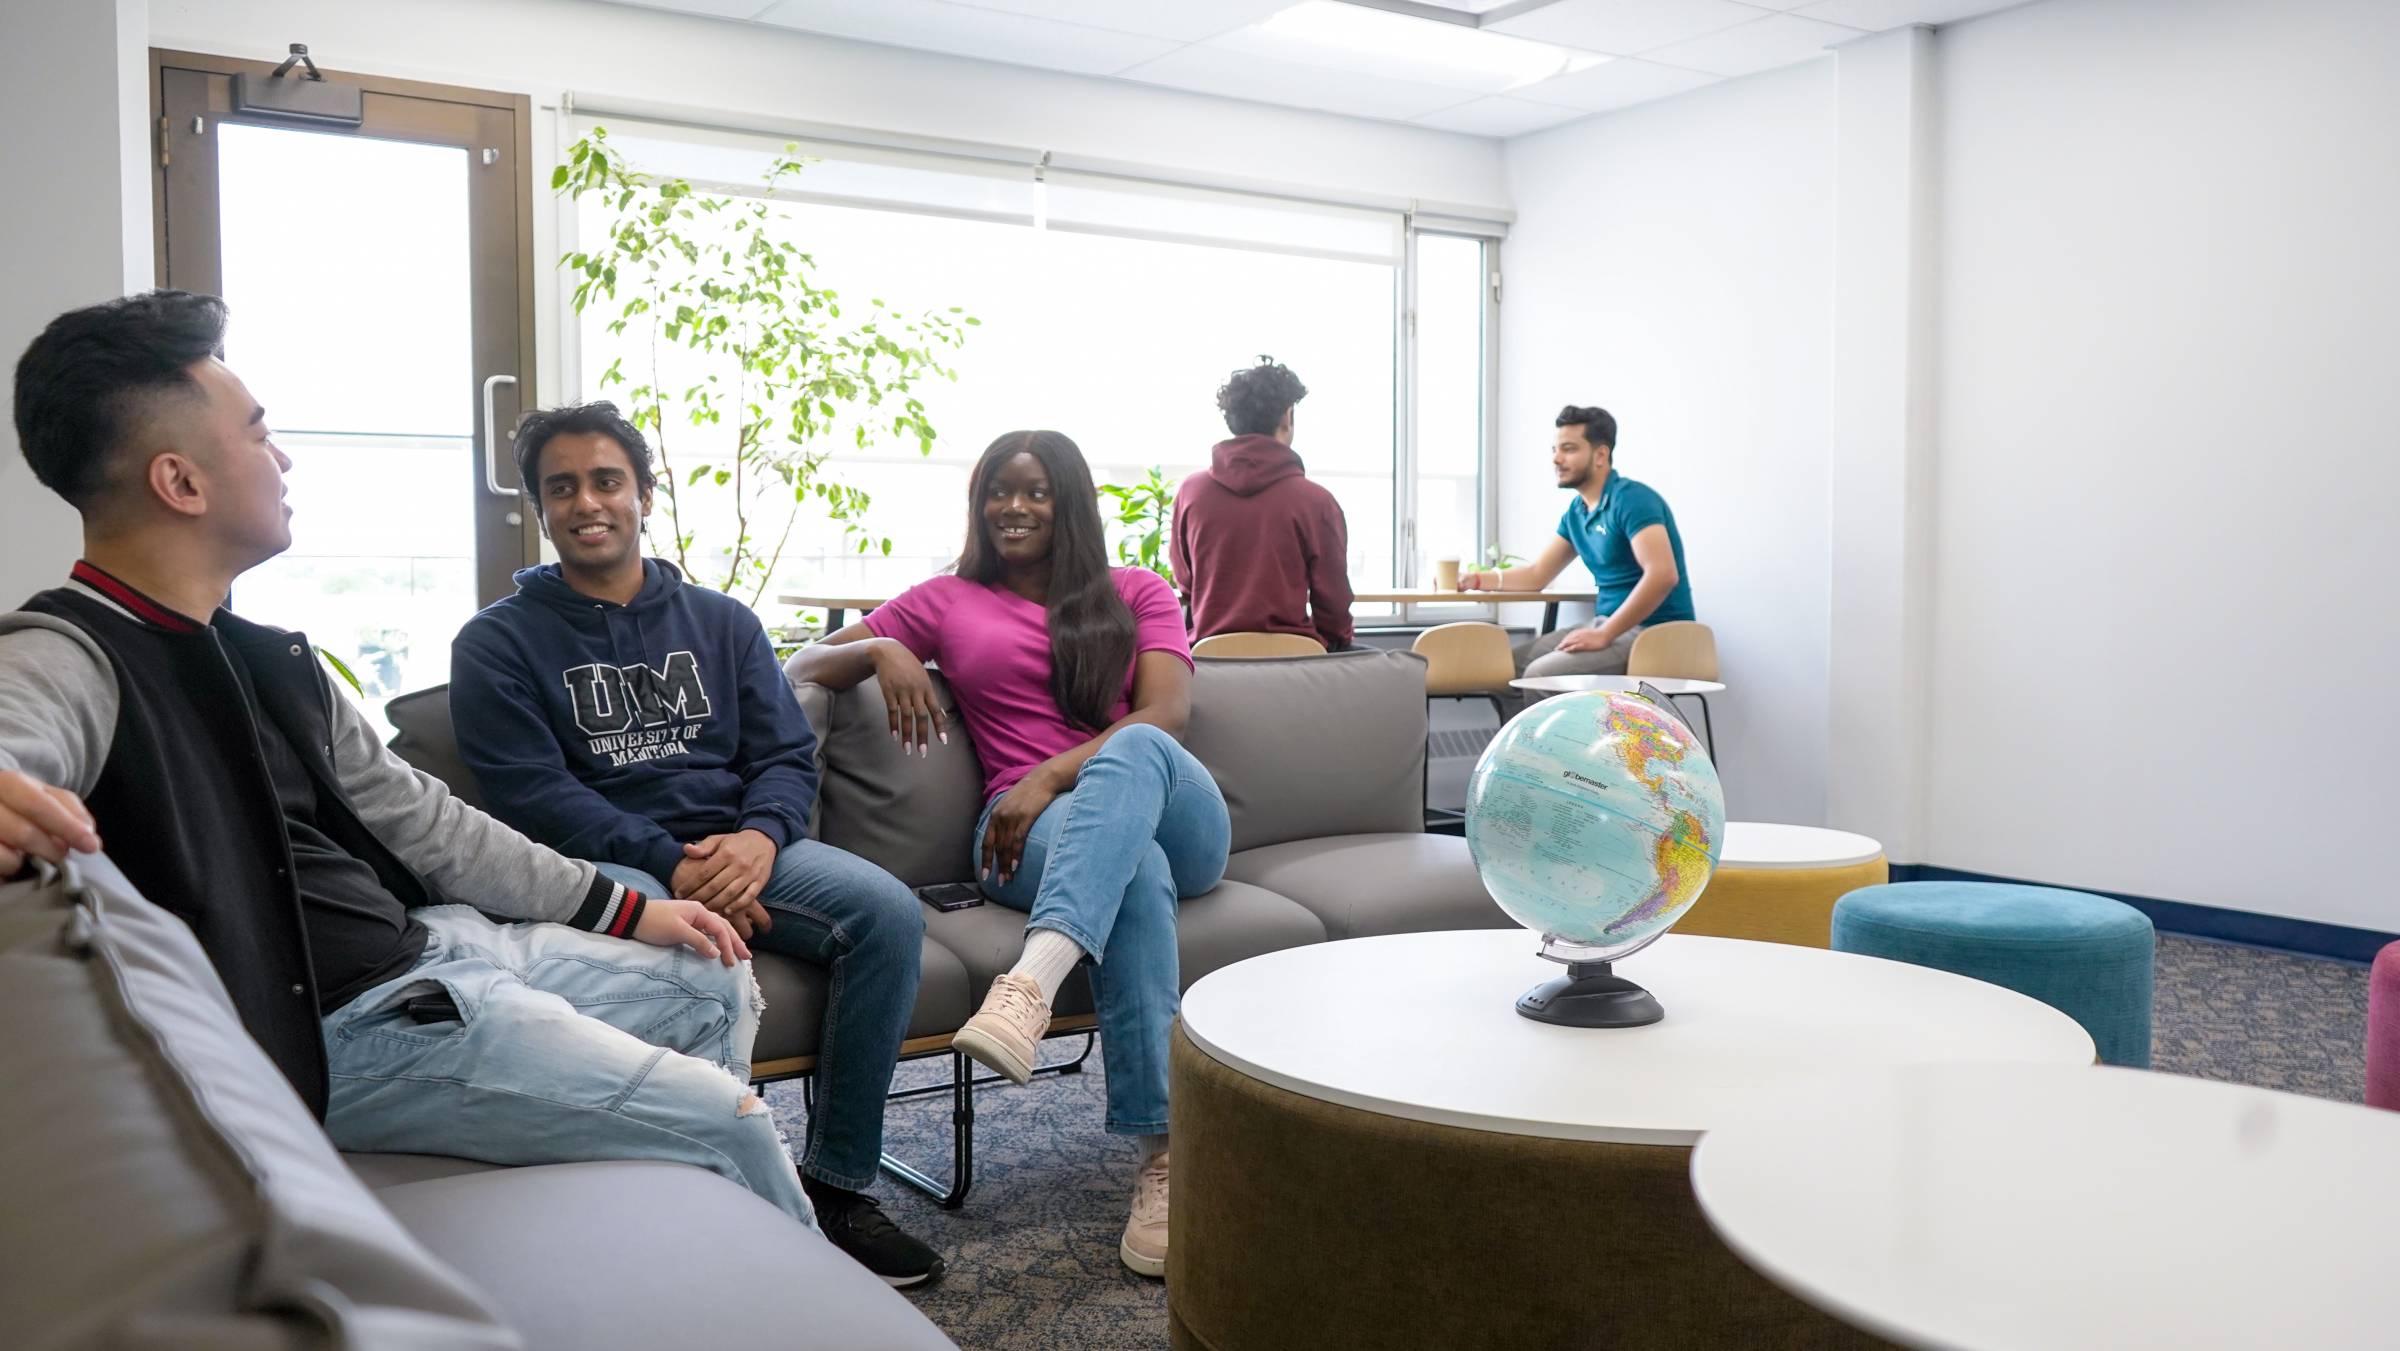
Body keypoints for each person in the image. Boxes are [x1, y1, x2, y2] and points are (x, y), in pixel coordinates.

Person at [0, 291, 815, 1226]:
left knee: (711, 969)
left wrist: (634, 907)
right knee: (734, 1123)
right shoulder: (75, 654)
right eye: (261, 434)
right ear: (182, 484)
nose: (284, 457)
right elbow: (16, 722)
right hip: (347, 1027)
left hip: (439, 949)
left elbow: (429, 821)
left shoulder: (263, 655)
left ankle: (679, 1232)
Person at [447, 402, 941, 1287]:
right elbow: (536, 795)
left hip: (743, 844)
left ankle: (835, 1188)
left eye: (607, 480)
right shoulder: (496, 643)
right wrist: (678, 867)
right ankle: (676, 1190)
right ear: (540, 506)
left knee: (887, 912)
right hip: (606, 859)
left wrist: (757, 839)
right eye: (562, 487)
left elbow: (786, 753)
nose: (587, 502)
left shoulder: (722, 621)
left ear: (644, 491)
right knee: (682, 950)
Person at [787, 429, 1226, 1279]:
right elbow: (802, 662)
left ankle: (1031, 982)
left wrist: (1049, 774)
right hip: (1027, 838)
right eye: (996, 490)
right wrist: (881, 647)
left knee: (1132, 752)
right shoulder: (948, 600)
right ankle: (1162, 1161)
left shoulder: (1137, 590)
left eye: (1033, 491)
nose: (1012, 508)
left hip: (1167, 805)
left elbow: (1165, 713)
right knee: (1133, 875)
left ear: (1069, 502)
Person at [1462, 404, 1694, 679]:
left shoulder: (1632, 500)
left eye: (1569, 449)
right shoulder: (1578, 512)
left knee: (1540, 675)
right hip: (1606, 625)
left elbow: (1663, 575)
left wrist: (1605, 634)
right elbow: (1537, 575)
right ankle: (1529, 726)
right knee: (1505, 669)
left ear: (1600, 455)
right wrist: (1474, 580)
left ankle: (1561, 725)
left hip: (1656, 633)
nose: (1556, 459)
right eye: (1554, 450)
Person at [1170, 357, 1353, 651]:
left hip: (1211, 662)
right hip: (1295, 666)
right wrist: (1334, 640)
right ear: (1287, 417)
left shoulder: (1191, 492)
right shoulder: (1317, 501)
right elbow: (1333, 602)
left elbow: (1187, 583)